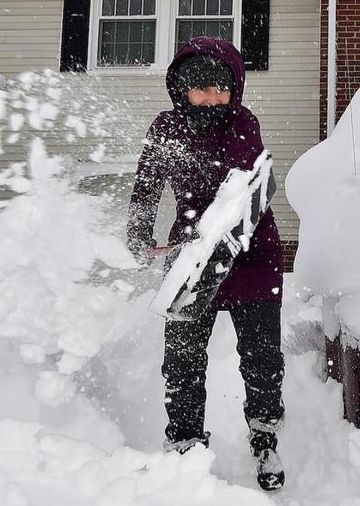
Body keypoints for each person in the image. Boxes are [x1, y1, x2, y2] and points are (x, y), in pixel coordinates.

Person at [126, 36, 286, 491]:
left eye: (222, 88)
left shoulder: (242, 124)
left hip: (251, 255)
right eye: (201, 88)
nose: (213, 97)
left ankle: (264, 431)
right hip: (191, 261)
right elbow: (147, 185)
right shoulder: (165, 128)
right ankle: (185, 440)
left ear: (235, 88)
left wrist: (202, 233)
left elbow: (237, 191)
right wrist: (140, 233)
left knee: (261, 358)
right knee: (182, 360)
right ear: (181, 88)